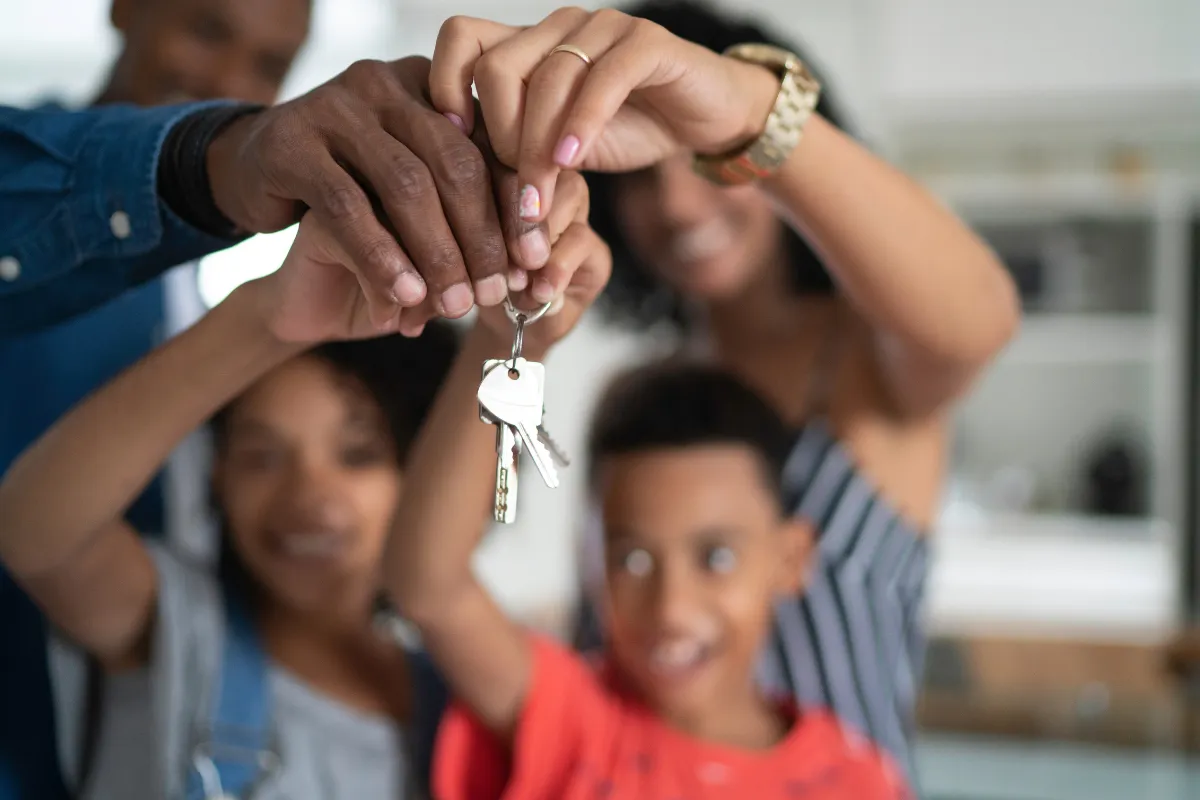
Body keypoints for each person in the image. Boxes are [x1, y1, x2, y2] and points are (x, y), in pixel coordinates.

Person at [426, 1, 1021, 786]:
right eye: (640, 173)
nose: (676, 204)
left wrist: (743, 107)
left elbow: (976, 321)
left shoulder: (873, 359)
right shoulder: (641, 395)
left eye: (704, 159)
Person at [0, 165, 595, 799]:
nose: (308, 498)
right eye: (262, 457)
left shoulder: (469, 694)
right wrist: (266, 318)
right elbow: (39, 533)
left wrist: (508, 338)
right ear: (218, 477)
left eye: (358, 455)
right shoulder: (173, 632)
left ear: (428, 473)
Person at [385, 312, 908, 793]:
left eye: (716, 558)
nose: (671, 609)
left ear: (791, 559)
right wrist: (510, 337)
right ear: (591, 563)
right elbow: (430, 589)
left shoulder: (857, 780)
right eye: (633, 561)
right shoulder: (572, 719)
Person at [0, 2, 311, 794]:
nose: (227, 83)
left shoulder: (209, 303)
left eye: (270, 68)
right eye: (207, 30)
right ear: (125, 7)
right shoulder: (28, 230)